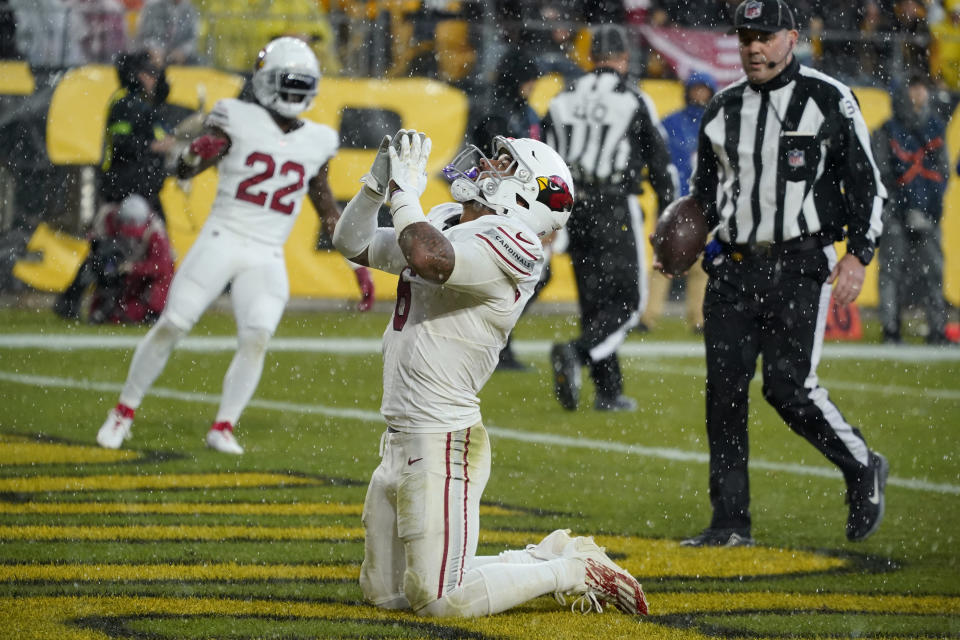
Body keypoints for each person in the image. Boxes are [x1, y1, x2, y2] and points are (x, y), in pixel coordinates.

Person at [331, 130, 648, 617]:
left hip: (444, 438)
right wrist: (376, 186)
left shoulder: (515, 241)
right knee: (387, 595)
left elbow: (429, 258)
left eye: (503, 165)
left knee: (440, 601)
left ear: (525, 192)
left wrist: (403, 194)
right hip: (400, 436)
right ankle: (538, 557)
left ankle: (573, 570)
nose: (485, 168)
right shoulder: (445, 221)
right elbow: (352, 243)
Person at [95, 37, 375, 455]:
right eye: (289, 83)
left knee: (257, 336)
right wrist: (196, 154)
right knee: (173, 324)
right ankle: (123, 412)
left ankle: (223, 426)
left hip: (267, 253)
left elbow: (328, 210)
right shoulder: (236, 116)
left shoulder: (318, 140)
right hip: (222, 238)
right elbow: (188, 168)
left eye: (302, 84)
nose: (295, 93)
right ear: (267, 82)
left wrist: (358, 264)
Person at [676, 0, 889, 547]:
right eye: (746, 36)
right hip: (733, 269)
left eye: (765, 35)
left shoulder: (828, 98)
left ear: (791, 37)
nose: (753, 46)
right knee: (723, 395)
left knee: (788, 388)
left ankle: (861, 463)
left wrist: (858, 254)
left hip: (799, 263)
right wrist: (688, 243)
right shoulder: (721, 108)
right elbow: (704, 196)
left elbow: (867, 185)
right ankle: (729, 522)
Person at [543, 24, 676, 412]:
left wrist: (551, 217)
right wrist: (666, 218)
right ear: (623, 60)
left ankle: (608, 391)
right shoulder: (632, 97)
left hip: (571, 206)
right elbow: (661, 165)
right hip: (613, 206)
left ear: (591, 57)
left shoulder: (563, 96)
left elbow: (544, 157)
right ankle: (577, 354)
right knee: (629, 303)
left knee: (595, 302)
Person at [872, 73, 951, 345]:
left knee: (934, 273)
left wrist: (927, 207)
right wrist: (903, 206)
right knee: (891, 272)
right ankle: (891, 331)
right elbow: (881, 174)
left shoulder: (936, 128)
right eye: (913, 88)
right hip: (895, 214)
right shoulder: (886, 130)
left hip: (927, 214)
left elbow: (943, 172)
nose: (919, 94)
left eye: (922, 88)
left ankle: (937, 331)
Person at [641, 72, 715, 333]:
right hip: (674, 204)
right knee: (663, 262)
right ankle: (648, 317)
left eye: (704, 89)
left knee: (702, 267)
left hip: (704, 205)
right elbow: (655, 158)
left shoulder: (716, 123)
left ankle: (699, 319)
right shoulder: (671, 123)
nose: (699, 95)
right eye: (696, 89)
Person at [54, 194, 173, 324]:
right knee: (91, 268)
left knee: (160, 282)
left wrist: (133, 268)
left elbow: (162, 267)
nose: (131, 240)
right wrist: (108, 265)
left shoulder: (156, 232)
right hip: (116, 267)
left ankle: (154, 313)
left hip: (139, 277)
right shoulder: (107, 218)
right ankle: (71, 306)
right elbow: (94, 246)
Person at [100, 50, 174, 220]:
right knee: (125, 240)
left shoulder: (144, 104)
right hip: (125, 189)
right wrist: (152, 146)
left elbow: (163, 90)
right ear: (138, 75)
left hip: (141, 189)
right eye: (150, 73)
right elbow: (121, 143)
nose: (154, 79)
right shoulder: (126, 103)